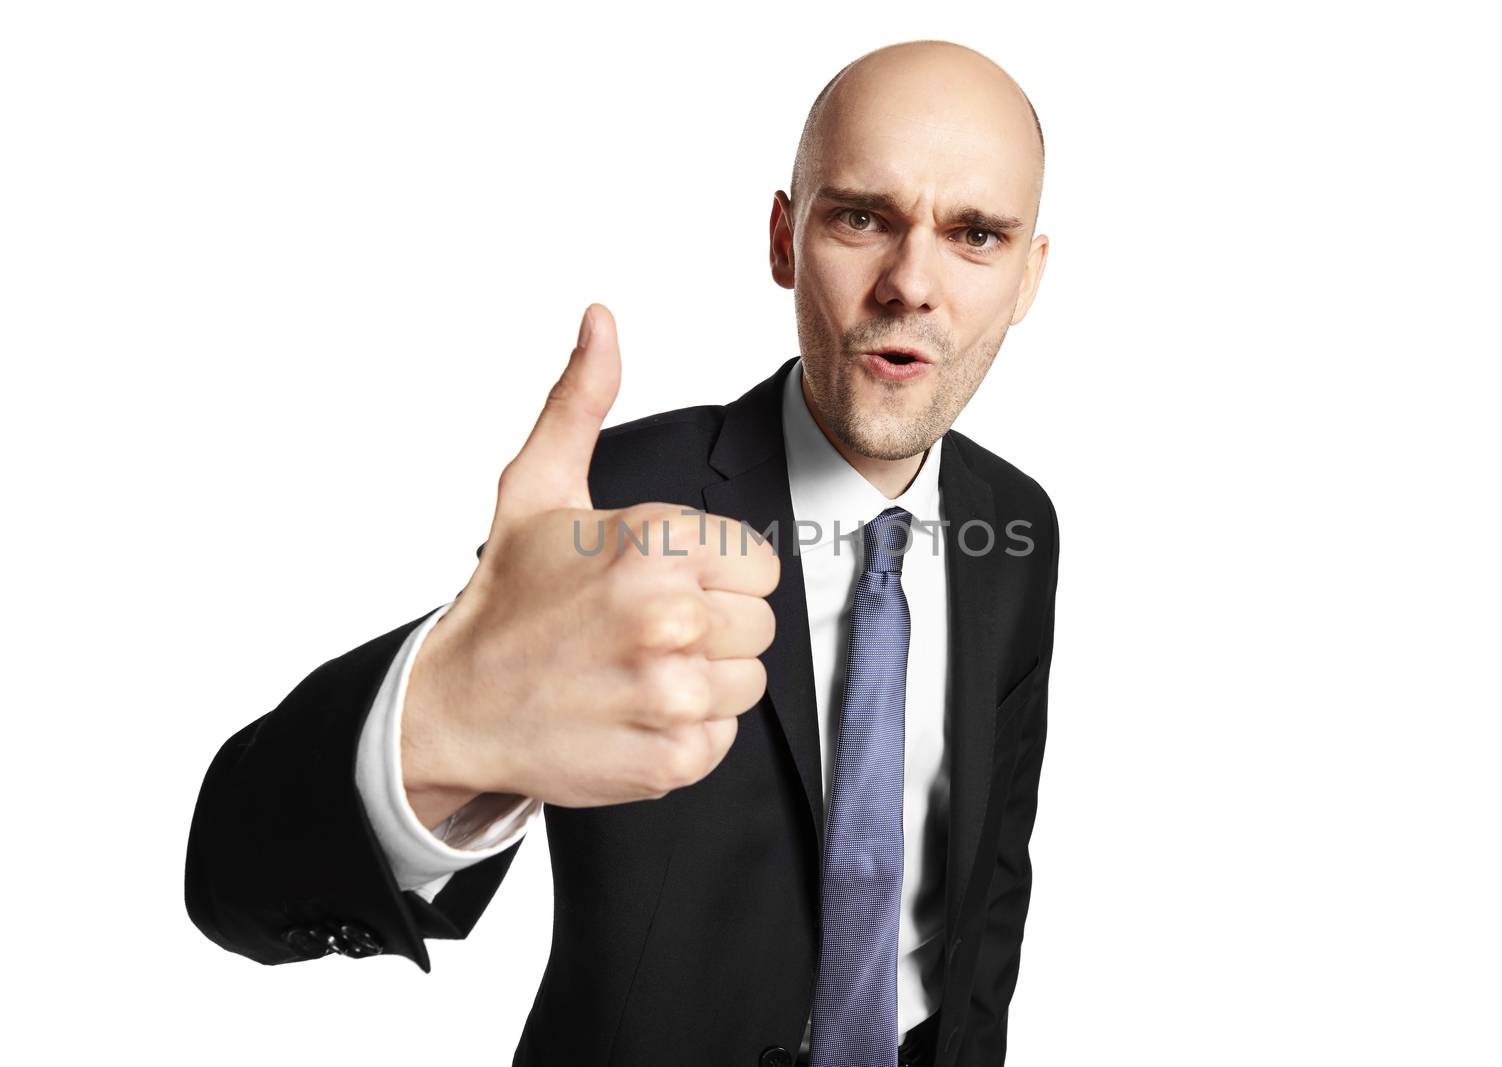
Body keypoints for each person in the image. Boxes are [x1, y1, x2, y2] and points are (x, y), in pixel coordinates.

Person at [185, 38, 1056, 1067]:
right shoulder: (614, 498)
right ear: (784, 238)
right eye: (860, 216)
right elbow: (237, 877)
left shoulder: (1019, 523)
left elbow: (990, 875)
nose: (911, 282)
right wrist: (444, 721)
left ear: (1029, 275)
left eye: (975, 235)